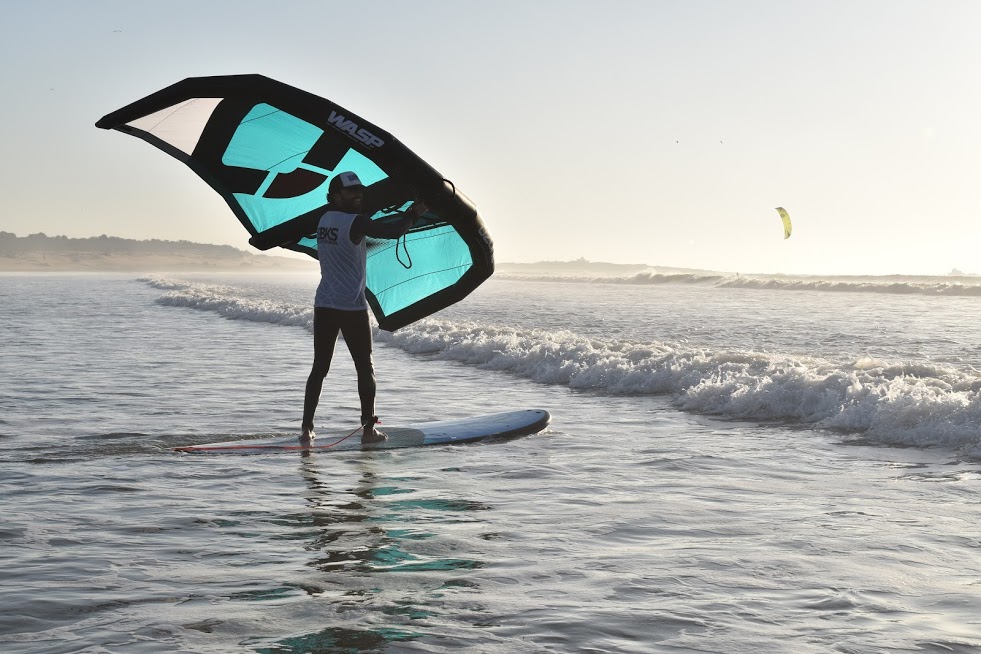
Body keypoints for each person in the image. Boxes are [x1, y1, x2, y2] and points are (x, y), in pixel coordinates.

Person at [301, 171, 427, 444]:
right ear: (335, 196)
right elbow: (393, 231)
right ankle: (369, 430)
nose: (358, 195)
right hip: (351, 307)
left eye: (360, 191)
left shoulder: (324, 219)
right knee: (364, 366)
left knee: (319, 367)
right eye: (351, 192)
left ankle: (306, 429)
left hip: (324, 303)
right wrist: (414, 213)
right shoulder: (355, 222)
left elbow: (363, 220)